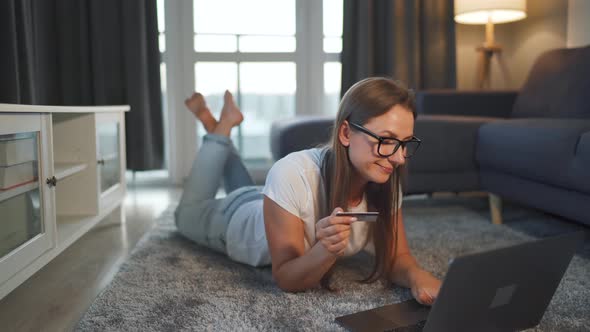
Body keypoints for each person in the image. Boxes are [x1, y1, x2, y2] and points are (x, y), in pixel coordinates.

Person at [175, 77, 442, 305]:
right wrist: (324, 250)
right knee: (185, 214)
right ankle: (219, 127)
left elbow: (398, 256)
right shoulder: (292, 172)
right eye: (386, 140)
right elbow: (286, 278)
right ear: (346, 133)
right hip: (234, 220)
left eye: (405, 144)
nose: (399, 159)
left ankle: (215, 125)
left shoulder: (385, 175)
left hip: (271, 201)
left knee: (248, 187)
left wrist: (418, 277)